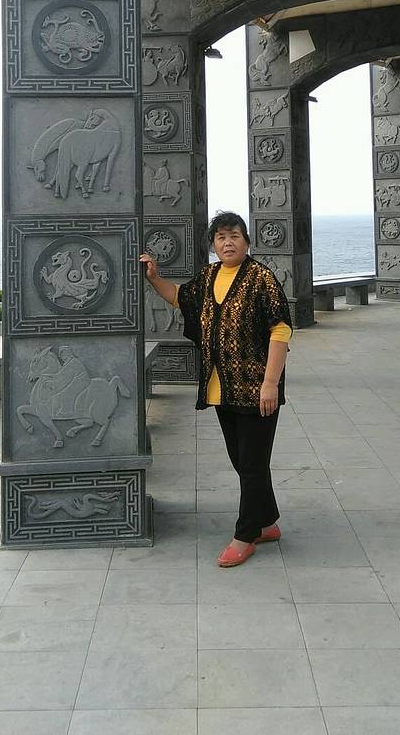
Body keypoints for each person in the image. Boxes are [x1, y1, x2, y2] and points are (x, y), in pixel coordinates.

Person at [140, 211, 292, 568]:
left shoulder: (261, 278)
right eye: (221, 237)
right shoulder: (208, 276)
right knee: (244, 461)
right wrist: (155, 278)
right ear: (213, 245)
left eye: (235, 236)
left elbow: (281, 330)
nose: (228, 242)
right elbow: (180, 298)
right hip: (221, 389)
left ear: (247, 241)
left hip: (256, 390)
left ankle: (245, 534)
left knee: (252, 464)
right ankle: (266, 522)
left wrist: (270, 383)